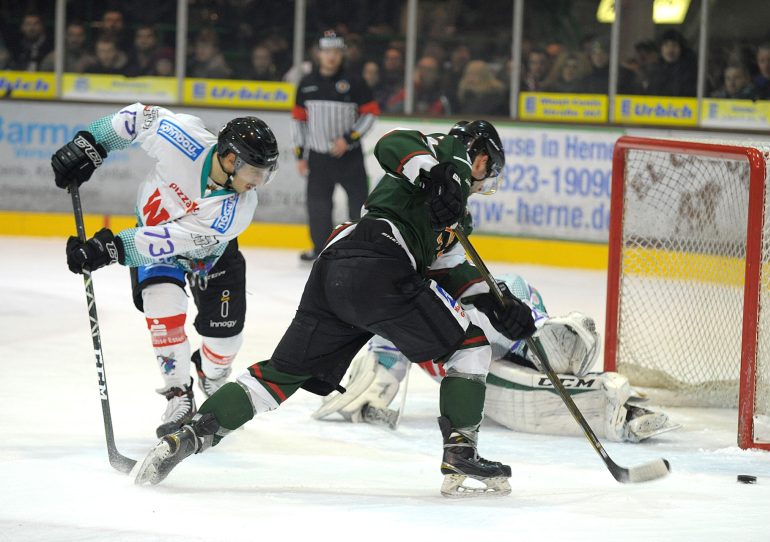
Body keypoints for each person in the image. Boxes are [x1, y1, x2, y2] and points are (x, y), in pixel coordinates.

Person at [134, 120, 538, 498]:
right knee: (470, 347)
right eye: (488, 173)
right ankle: (460, 453)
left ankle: (188, 437)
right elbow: (391, 143)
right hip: (382, 262)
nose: (482, 183)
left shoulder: (452, 216)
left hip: (336, 268)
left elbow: (451, 268)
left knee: (282, 373)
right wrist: (439, 173)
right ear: (482, 157)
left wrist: (497, 303)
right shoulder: (450, 155)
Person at [51, 103, 279, 438]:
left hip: (209, 258)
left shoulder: (238, 210)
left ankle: (211, 374)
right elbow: (137, 117)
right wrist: (92, 145)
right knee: (163, 308)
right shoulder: (183, 138)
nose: (258, 181)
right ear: (230, 160)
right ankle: (178, 393)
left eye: (265, 173)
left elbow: (167, 240)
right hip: (157, 248)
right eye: (254, 172)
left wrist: (108, 248)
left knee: (224, 339)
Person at [313, 273, 678, 444]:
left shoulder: (432, 298)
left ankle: (556, 352)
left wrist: (529, 325)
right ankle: (620, 411)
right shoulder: (396, 319)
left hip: (494, 348)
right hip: (476, 367)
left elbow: (514, 293)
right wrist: (375, 391)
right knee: (530, 395)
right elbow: (388, 355)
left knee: (531, 379)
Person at [292, 30, 380, 261]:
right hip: (319, 157)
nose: (331, 56)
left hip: (349, 157)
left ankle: (358, 247)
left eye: (336, 51)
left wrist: (348, 139)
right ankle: (321, 249)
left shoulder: (355, 81)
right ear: (319, 53)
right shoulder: (307, 83)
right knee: (318, 206)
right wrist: (300, 156)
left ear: (342, 54)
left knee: (358, 203)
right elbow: (299, 121)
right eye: (327, 51)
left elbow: (370, 114)